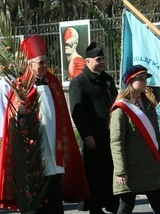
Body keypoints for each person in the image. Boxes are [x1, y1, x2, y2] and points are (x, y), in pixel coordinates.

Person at [0, 34, 89, 213]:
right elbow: (12, 119)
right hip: (33, 150)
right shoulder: (21, 86)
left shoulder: (53, 83)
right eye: (41, 62)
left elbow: (62, 116)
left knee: (53, 190)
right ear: (30, 64)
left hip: (54, 147)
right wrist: (19, 114)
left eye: (46, 61)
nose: (45, 66)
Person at [110, 65, 160, 214]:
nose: (145, 82)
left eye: (145, 79)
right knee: (126, 207)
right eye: (140, 79)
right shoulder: (121, 109)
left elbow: (156, 138)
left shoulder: (149, 105)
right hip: (132, 168)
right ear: (130, 81)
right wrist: (121, 171)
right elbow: (117, 142)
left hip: (151, 166)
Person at [69, 41, 119, 214]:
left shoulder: (107, 79)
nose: (102, 62)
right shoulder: (79, 82)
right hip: (93, 138)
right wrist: (86, 135)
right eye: (98, 59)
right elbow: (77, 112)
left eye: (103, 59)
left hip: (111, 136)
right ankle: (96, 208)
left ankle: (113, 205)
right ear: (88, 62)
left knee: (111, 172)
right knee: (95, 176)